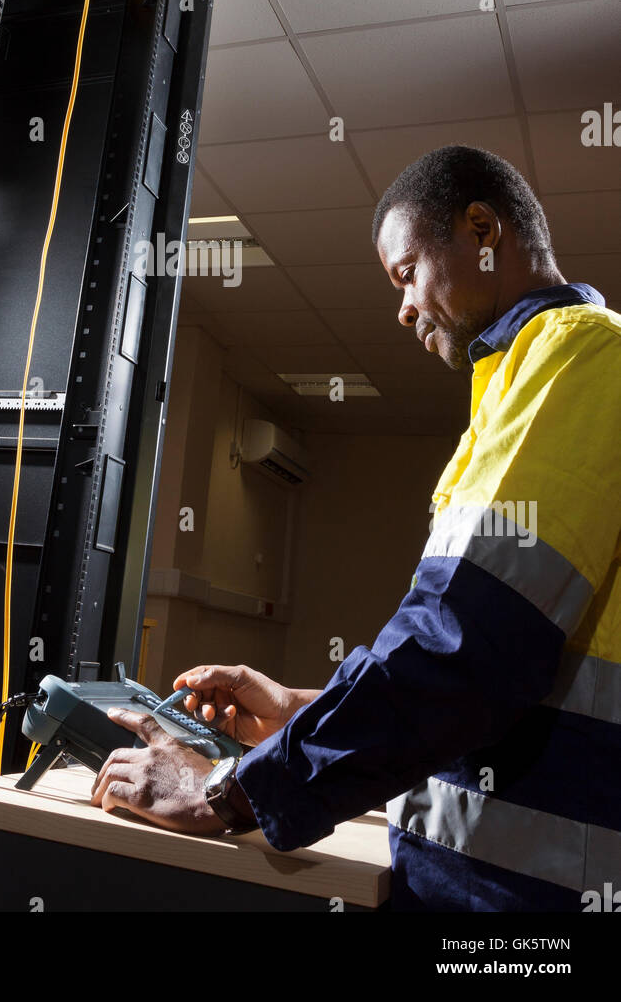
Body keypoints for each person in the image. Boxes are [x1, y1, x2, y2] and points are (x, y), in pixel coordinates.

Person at [91, 145, 621, 911]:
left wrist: (225, 791)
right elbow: (500, 686)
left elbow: (463, 649)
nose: (402, 308)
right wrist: (301, 709)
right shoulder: (518, 383)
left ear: (481, 228)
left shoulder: (581, 354)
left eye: (407, 274)